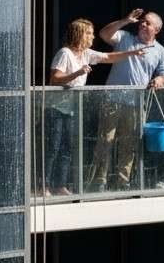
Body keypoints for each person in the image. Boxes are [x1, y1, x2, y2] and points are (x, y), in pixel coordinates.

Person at [44, 18, 145, 195]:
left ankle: (59, 185)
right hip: (56, 108)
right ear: (79, 34)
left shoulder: (86, 54)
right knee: (53, 147)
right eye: (89, 33)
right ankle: (43, 186)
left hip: (72, 108)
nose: (92, 37)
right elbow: (54, 79)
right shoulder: (65, 53)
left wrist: (132, 53)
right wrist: (78, 72)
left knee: (67, 148)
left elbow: (108, 57)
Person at [87, 9, 164, 192]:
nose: (142, 24)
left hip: (136, 103)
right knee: (105, 140)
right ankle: (100, 180)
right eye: (142, 21)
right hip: (112, 99)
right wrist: (125, 20)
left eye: (148, 23)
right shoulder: (125, 37)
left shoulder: (160, 51)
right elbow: (104, 34)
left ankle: (122, 181)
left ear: (157, 29)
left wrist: (159, 80)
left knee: (129, 143)